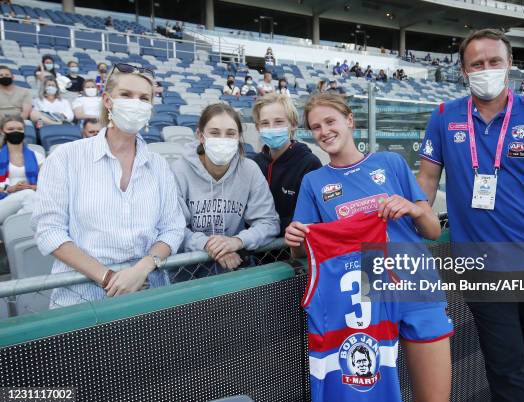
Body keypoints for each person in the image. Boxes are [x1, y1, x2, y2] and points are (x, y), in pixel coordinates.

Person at [417, 29, 524, 402]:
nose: (485, 69)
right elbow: (425, 180)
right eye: (477, 64)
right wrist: (409, 217)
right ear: (463, 69)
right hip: (481, 270)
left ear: (510, 65)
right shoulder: (443, 116)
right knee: (505, 367)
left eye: (494, 61)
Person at [285, 93, 454, 402]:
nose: (324, 131)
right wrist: (294, 239)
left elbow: (432, 230)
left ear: (349, 120)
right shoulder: (314, 182)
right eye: (316, 127)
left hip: (416, 287)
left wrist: (413, 209)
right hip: (364, 300)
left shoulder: (389, 163)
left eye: (330, 121)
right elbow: (304, 252)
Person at [32, 63, 185, 308]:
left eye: (144, 98)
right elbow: (50, 232)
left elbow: (173, 229)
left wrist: (143, 268)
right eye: (126, 95)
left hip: (149, 292)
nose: (135, 103)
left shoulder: (159, 166)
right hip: (81, 299)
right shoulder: (65, 157)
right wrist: (109, 278)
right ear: (107, 101)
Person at [171, 103, 279, 277]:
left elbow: (269, 223)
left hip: (234, 271)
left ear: (239, 137)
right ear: (200, 135)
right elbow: (172, 228)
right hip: (187, 275)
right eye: (214, 133)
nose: (223, 139)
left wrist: (237, 241)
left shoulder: (249, 170)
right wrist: (209, 245)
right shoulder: (178, 171)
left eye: (230, 134)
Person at [252, 93, 321, 235]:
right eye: (265, 123)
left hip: (292, 250)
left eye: (279, 122)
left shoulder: (309, 163)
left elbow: (310, 218)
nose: (271, 128)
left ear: (293, 124)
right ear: (258, 127)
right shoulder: (253, 164)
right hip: (254, 247)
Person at [0, 115, 43, 223]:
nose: (16, 132)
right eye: (10, 129)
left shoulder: (38, 156)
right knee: (28, 195)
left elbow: (49, 183)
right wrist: (9, 189)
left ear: (24, 130)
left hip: (31, 199)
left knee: (30, 196)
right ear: (2, 131)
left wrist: (32, 186)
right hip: (3, 201)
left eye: (19, 129)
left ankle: (12, 225)